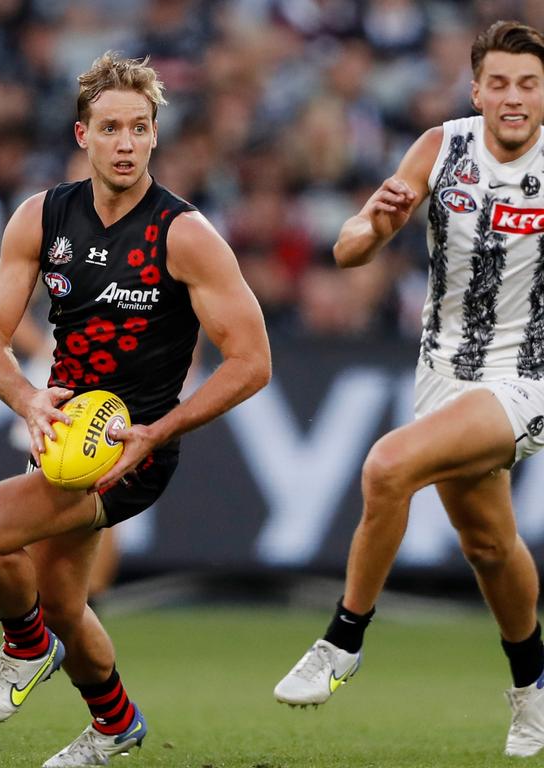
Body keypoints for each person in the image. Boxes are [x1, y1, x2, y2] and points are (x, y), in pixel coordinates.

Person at [0, 52, 271, 767]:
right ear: (82, 135)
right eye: (111, 128)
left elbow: (253, 362)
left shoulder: (184, 234)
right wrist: (27, 397)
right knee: (65, 601)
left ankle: (23, 650)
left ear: (156, 135)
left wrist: (161, 429)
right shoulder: (42, 217)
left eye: (140, 128)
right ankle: (114, 724)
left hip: (133, 450)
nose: (126, 143)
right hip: (64, 435)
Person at [274, 20, 544, 758]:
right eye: (500, 83)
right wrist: (379, 222)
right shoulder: (440, 146)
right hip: (441, 374)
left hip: (524, 378)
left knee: (386, 466)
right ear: (477, 88)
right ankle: (534, 690)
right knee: (489, 544)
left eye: (528, 83)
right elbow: (348, 246)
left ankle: (343, 640)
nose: (513, 98)